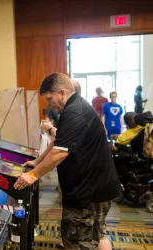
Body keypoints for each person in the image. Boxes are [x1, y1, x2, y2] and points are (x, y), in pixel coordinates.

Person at [14, 73, 119, 250]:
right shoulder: (75, 107)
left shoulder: (74, 112)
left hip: (88, 192)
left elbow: (59, 154)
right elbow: (59, 141)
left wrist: (32, 175)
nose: (49, 104)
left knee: (78, 242)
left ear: (62, 92)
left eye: (49, 98)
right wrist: (38, 162)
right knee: (98, 234)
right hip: (98, 187)